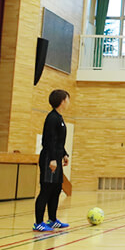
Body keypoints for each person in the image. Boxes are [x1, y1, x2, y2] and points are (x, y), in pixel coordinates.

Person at [33, 90, 71, 232]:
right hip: (49, 159)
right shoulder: (52, 118)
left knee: (56, 189)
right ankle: (38, 222)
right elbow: (48, 141)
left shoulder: (59, 118)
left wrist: (64, 154)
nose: (68, 102)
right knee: (46, 190)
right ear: (62, 101)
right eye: (67, 99)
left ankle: (52, 220)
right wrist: (53, 159)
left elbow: (58, 141)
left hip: (57, 158)